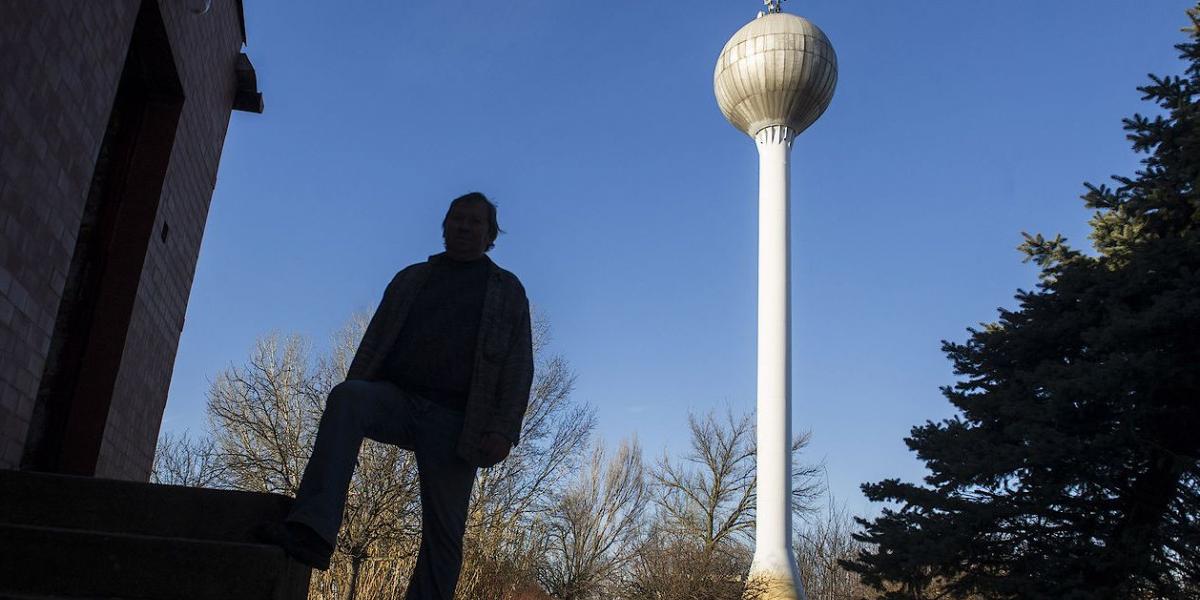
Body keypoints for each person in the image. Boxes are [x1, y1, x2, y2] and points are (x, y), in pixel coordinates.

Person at [260, 192, 534, 599]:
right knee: (348, 399)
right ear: (444, 226)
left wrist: (503, 429)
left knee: (444, 535)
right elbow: (374, 341)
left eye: (475, 222)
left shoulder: (506, 290)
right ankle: (312, 531)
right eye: (456, 219)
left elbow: (518, 366)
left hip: (457, 422)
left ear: (490, 234)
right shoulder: (411, 279)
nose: (463, 226)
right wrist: (357, 384)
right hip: (397, 402)